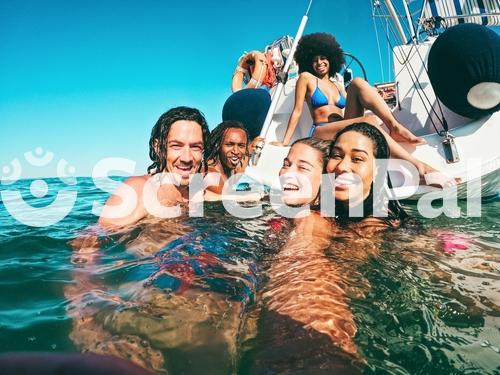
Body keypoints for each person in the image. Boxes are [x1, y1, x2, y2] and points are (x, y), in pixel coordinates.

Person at [273, 32, 450, 183]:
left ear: (331, 58)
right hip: (320, 131)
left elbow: (350, 106)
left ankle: (394, 126)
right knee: (370, 120)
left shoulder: (337, 85)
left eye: (323, 58)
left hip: (342, 127)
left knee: (358, 83)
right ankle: (418, 165)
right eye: (314, 60)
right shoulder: (306, 78)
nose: (319, 62)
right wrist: (285, 141)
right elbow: (297, 111)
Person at [98, 106, 210, 228]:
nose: (187, 158)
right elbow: (92, 239)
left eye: (195, 147)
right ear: (158, 147)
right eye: (176, 146)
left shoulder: (196, 190)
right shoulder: (137, 190)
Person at [206, 120, 250, 194]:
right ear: (217, 145)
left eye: (241, 146)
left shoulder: (227, 169)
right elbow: (227, 202)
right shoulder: (211, 176)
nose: (236, 151)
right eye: (229, 145)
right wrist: (239, 174)